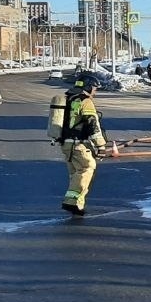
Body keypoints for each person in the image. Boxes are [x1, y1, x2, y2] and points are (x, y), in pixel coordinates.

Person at [59, 75, 108, 216]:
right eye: (94, 88)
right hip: (78, 143)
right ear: (87, 87)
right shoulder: (85, 101)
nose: (95, 92)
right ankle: (71, 202)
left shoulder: (68, 99)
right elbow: (92, 124)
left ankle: (77, 205)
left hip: (66, 143)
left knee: (75, 173)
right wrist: (101, 146)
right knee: (87, 167)